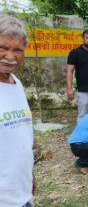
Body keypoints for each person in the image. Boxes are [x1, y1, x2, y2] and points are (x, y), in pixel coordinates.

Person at [0, 14, 37, 207]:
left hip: (21, 192)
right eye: (3, 48)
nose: (10, 57)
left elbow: (20, 138)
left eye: (18, 50)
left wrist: (28, 173)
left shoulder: (16, 83)